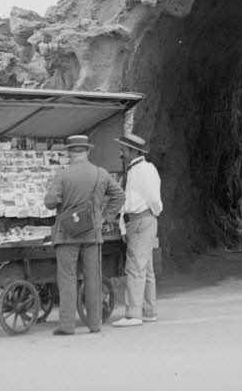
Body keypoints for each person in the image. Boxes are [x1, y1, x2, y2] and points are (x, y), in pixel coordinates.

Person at [44, 134, 125, 335]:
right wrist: (104, 217)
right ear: (87, 151)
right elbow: (119, 196)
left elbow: (49, 202)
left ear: (70, 152)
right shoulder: (101, 174)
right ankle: (95, 324)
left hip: (67, 234)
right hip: (92, 233)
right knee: (93, 278)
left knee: (67, 278)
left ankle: (67, 326)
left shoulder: (62, 175)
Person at [113, 132, 163, 327]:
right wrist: (124, 226)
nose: (121, 154)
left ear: (133, 151)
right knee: (146, 268)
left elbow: (153, 199)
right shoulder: (135, 170)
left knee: (135, 267)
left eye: (123, 150)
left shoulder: (145, 170)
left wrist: (149, 216)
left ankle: (133, 314)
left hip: (142, 221)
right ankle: (149, 311)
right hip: (138, 221)